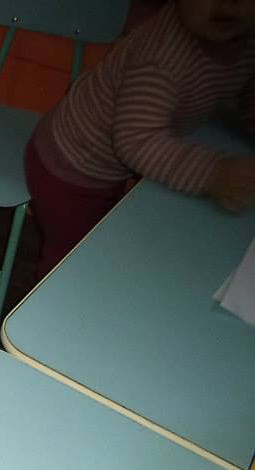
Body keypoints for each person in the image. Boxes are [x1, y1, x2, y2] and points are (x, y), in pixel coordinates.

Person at [25, 0, 255, 277]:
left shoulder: (244, 38)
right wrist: (213, 173)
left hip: (109, 160)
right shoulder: (160, 58)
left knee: (98, 239)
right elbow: (137, 142)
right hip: (71, 165)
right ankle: (56, 299)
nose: (228, 4)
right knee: (70, 258)